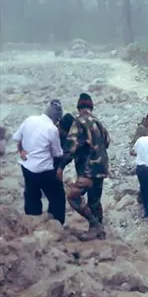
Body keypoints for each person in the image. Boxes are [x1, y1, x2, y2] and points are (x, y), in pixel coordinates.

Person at [60, 93, 111, 240]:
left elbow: (71, 146)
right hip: (102, 168)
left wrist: (61, 167)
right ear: (91, 107)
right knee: (94, 200)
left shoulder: (79, 122)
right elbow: (107, 142)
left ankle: (94, 225)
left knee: (73, 196)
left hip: (88, 170)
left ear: (79, 107)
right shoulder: (98, 122)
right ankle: (100, 230)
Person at [11, 100, 66, 225]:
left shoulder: (29, 120)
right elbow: (57, 153)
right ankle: (57, 223)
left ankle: (32, 221)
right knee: (57, 196)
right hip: (44, 170)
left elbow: (16, 138)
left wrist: (21, 150)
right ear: (56, 118)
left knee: (31, 195)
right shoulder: (52, 129)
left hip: (27, 167)